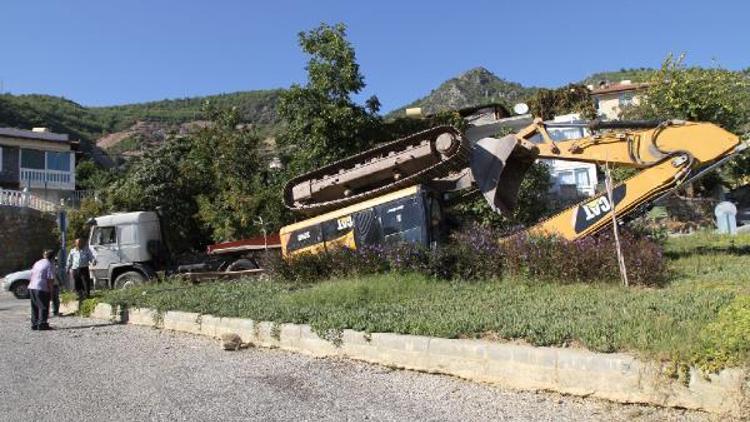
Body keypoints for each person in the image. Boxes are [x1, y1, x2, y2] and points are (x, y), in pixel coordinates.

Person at [29, 250, 56, 331]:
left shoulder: (38, 262)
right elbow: (50, 280)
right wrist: (51, 292)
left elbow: (31, 273)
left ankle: (34, 324)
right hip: (41, 287)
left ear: (45, 256)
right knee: (43, 306)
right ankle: (42, 324)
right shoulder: (50, 264)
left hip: (32, 286)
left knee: (35, 306)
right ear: (53, 257)